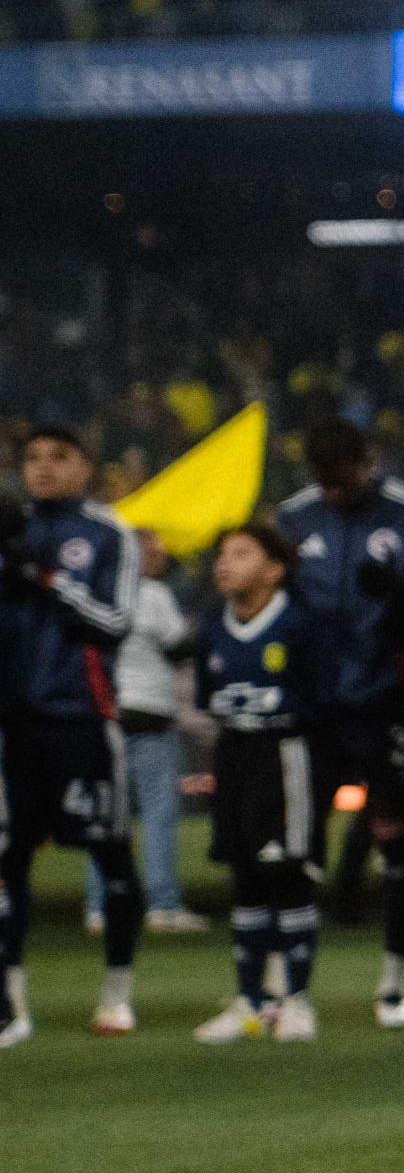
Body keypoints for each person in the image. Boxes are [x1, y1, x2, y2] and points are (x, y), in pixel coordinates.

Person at [273, 416, 404, 1026]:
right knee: (298, 847)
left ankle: (394, 986)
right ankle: (287, 988)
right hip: (315, 710)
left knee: (399, 848)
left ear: (367, 464)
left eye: (343, 480)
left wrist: (400, 602)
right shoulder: (294, 519)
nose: (333, 492)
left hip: (389, 706)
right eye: (323, 482)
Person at [6, 423, 156, 1041]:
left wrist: (48, 581)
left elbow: (116, 623)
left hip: (82, 717)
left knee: (110, 852)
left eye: (58, 457)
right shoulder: (9, 527)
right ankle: (11, 1002)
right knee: (8, 860)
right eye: (32, 458)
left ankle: (117, 993)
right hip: (12, 723)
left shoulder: (107, 533)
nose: (42, 468)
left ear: (85, 467)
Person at [190, 522, 325, 1043]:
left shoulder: (299, 626)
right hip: (233, 755)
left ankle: (297, 1001)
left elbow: (320, 698)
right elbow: (207, 697)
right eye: (222, 554)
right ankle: (250, 1002)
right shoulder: (212, 627)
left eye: (242, 553)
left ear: (274, 569)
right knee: (244, 878)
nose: (225, 564)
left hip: (282, 755)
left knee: (287, 877)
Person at [109, 532, 206, 937]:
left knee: (109, 820)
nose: (159, 559)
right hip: (150, 713)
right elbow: (178, 647)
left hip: (109, 713)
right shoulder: (153, 593)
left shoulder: (102, 588)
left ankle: (102, 907)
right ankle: (162, 904)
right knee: (158, 813)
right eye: (152, 552)